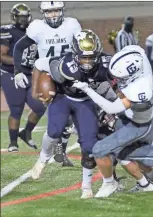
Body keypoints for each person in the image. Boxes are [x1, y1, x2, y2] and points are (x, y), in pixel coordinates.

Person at [30, 29, 116, 199]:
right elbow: (39, 64)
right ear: (75, 53)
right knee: (54, 131)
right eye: (84, 57)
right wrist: (35, 90)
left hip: (87, 101)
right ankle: (43, 159)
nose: (88, 62)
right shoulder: (64, 63)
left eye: (91, 57)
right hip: (64, 97)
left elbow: (118, 81)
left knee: (89, 145)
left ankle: (86, 185)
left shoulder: (106, 63)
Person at [72, 45, 153, 197]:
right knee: (121, 152)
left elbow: (111, 108)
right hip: (132, 117)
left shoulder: (139, 89)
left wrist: (88, 90)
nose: (119, 80)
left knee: (99, 149)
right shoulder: (139, 56)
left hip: (138, 125)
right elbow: (135, 49)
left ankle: (109, 183)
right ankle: (147, 184)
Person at [13, 1, 82, 165]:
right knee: (59, 115)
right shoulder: (37, 27)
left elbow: (81, 47)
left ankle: (61, 149)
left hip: (69, 72)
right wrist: (18, 71)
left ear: (62, 10)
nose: (53, 15)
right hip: (48, 75)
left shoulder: (72, 24)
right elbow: (19, 47)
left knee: (74, 112)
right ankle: (58, 150)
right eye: (49, 12)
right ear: (43, 13)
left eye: (57, 11)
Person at [0, 3, 46, 152]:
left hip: (29, 73)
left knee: (39, 107)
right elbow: (2, 56)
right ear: (14, 17)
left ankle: (26, 132)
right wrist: (21, 63)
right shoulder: (7, 31)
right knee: (16, 109)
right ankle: (13, 142)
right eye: (20, 17)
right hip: (11, 73)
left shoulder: (33, 31)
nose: (23, 20)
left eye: (25, 17)